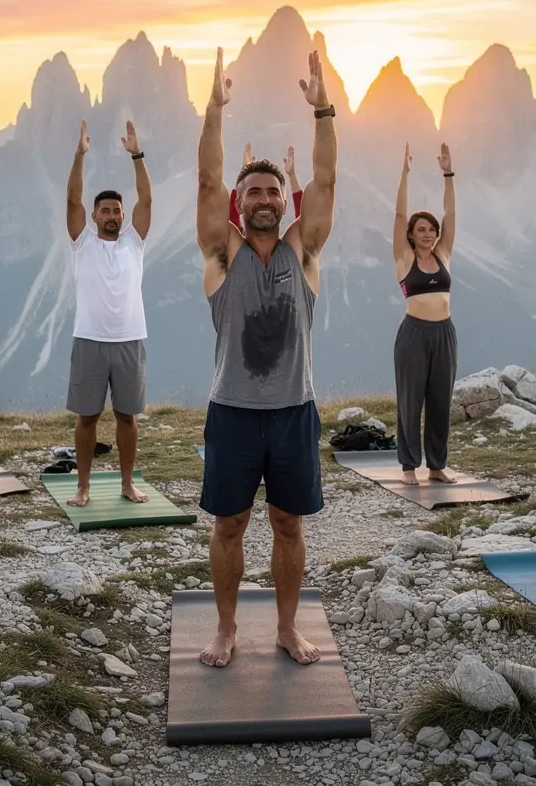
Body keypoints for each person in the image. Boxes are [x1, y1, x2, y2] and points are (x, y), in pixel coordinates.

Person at [196, 47, 337, 668]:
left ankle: (285, 627)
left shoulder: (302, 252)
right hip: (232, 412)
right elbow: (206, 180)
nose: (262, 198)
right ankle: (226, 628)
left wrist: (323, 111)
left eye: (272, 191)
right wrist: (214, 110)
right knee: (229, 526)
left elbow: (326, 181)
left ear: (284, 202)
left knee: (288, 525)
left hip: (293, 412)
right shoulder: (221, 255)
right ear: (239, 200)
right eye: (252, 190)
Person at [65, 119, 152, 507]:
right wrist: (80, 155)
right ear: (95, 217)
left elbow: (146, 200)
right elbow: (73, 200)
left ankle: (127, 483)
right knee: (87, 418)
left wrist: (137, 155)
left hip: (130, 340)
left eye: (117, 210)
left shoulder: (134, 242)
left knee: (127, 417)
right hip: (90, 339)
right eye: (105, 210)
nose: (112, 214)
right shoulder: (82, 243)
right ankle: (83, 486)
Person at [392, 141, 458, 485]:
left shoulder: (443, 254)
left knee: (440, 400)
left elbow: (451, 215)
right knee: (410, 399)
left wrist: (448, 173)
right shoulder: (404, 259)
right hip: (414, 334)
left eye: (431, 230)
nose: (429, 234)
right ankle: (408, 467)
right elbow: (400, 216)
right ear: (411, 235)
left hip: (444, 333)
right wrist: (405, 174)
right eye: (422, 230)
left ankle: (436, 465)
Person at [229, 143, 302, 230]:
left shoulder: (296, 238)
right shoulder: (233, 237)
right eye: (254, 193)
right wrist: (244, 174)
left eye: (273, 193)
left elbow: (304, 220)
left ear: (284, 205)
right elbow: (232, 217)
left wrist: (292, 175)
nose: (265, 201)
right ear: (238, 205)